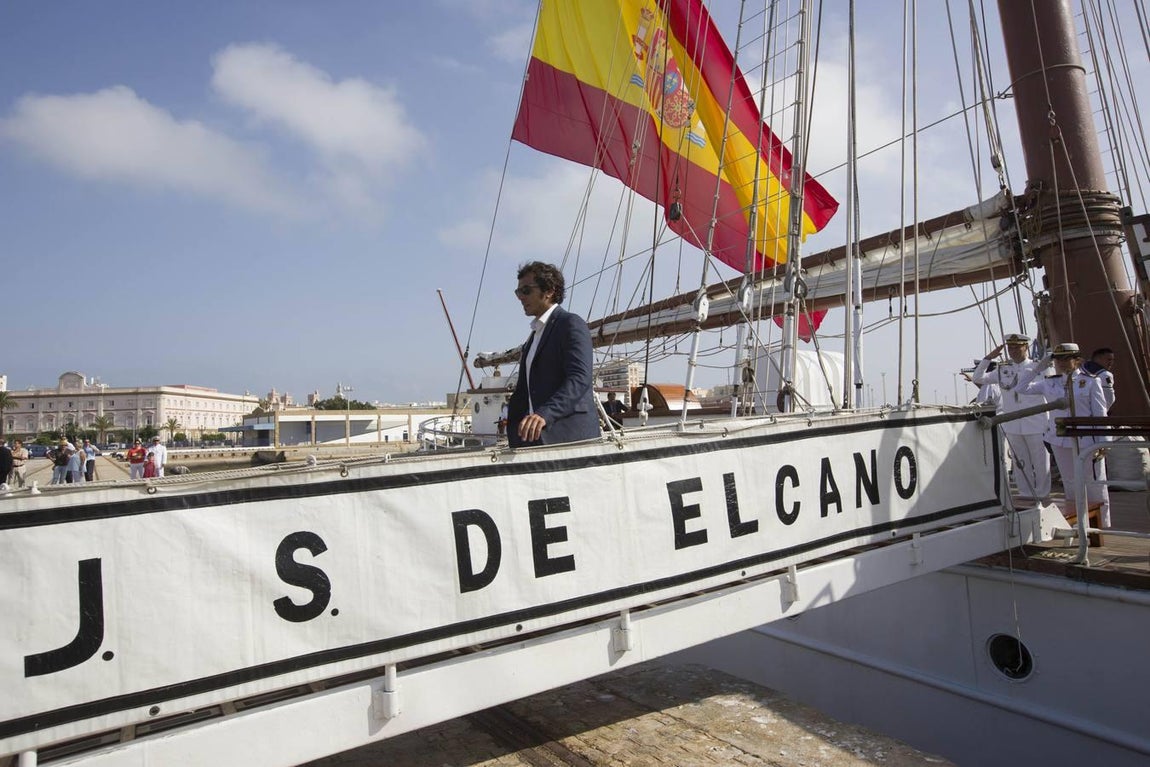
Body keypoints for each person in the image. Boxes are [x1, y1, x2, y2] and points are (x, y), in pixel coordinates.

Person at [1015, 343, 1112, 526]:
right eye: (1058, 359)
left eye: (1066, 358)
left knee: (1093, 482)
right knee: (1069, 482)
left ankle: (1101, 524)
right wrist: (1038, 367)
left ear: (1078, 360)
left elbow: (1100, 414)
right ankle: (1078, 524)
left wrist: (1103, 443)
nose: (1061, 362)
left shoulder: (1090, 382)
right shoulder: (1050, 382)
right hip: (1060, 440)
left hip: (1086, 441)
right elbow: (1020, 388)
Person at [506, 261, 601, 447]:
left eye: (526, 291)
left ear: (548, 291)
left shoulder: (570, 324)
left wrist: (545, 414)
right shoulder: (534, 336)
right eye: (518, 292)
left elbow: (580, 378)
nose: (520, 297)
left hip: (570, 440)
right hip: (535, 441)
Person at [972, 333, 1051, 500]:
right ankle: (1026, 493)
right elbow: (978, 378)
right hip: (1013, 423)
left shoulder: (1039, 367)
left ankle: (1043, 493)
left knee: (1040, 461)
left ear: (1026, 347)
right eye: (1010, 347)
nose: (1013, 351)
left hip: (1035, 422)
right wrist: (988, 358)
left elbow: (1051, 391)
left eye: (1017, 347)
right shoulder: (1003, 369)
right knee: (1019, 461)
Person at [1080, 347, 1116, 412]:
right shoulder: (1105, 375)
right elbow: (1109, 398)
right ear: (1098, 358)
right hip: (1096, 415)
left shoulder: (1079, 370)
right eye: (1109, 359)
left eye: (1112, 360)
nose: (1111, 362)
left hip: (1081, 412)